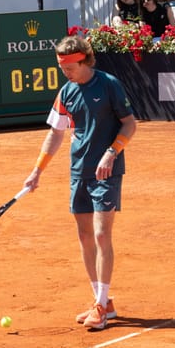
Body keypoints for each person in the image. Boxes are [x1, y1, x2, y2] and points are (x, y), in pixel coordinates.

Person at [23, 34, 136, 331]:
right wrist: (37, 171)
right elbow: (56, 134)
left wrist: (112, 153)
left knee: (101, 234)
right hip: (78, 172)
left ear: (83, 60)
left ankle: (100, 305)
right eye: (61, 67)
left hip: (106, 171)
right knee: (85, 236)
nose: (65, 72)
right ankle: (103, 301)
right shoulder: (66, 92)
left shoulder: (109, 84)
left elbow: (129, 122)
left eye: (68, 67)